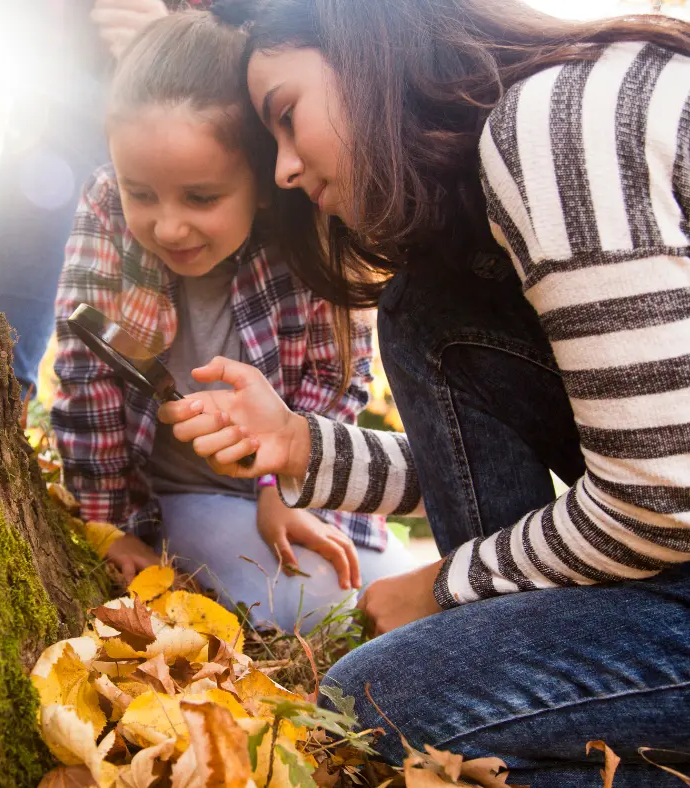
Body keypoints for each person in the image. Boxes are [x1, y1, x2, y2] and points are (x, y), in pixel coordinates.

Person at [159, 0, 690, 784]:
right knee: (425, 312)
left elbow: (657, 499)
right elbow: (629, 461)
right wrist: (304, 446)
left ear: (366, 45)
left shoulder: (555, 130)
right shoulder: (512, 173)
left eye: (287, 116)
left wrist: (444, 589)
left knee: (380, 704)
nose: (284, 171)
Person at [51, 10, 416, 632]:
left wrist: (282, 490)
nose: (167, 226)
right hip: (177, 493)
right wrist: (107, 527)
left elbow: (332, 382)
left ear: (264, 181)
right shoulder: (107, 210)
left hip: (288, 482)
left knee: (401, 599)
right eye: (143, 193)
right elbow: (87, 379)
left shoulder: (308, 242)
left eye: (201, 197)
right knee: (314, 611)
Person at [0, 0, 209, 396]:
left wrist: (175, 46)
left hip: (188, 94)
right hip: (69, 78)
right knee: (3, 332)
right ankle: (0, 395)